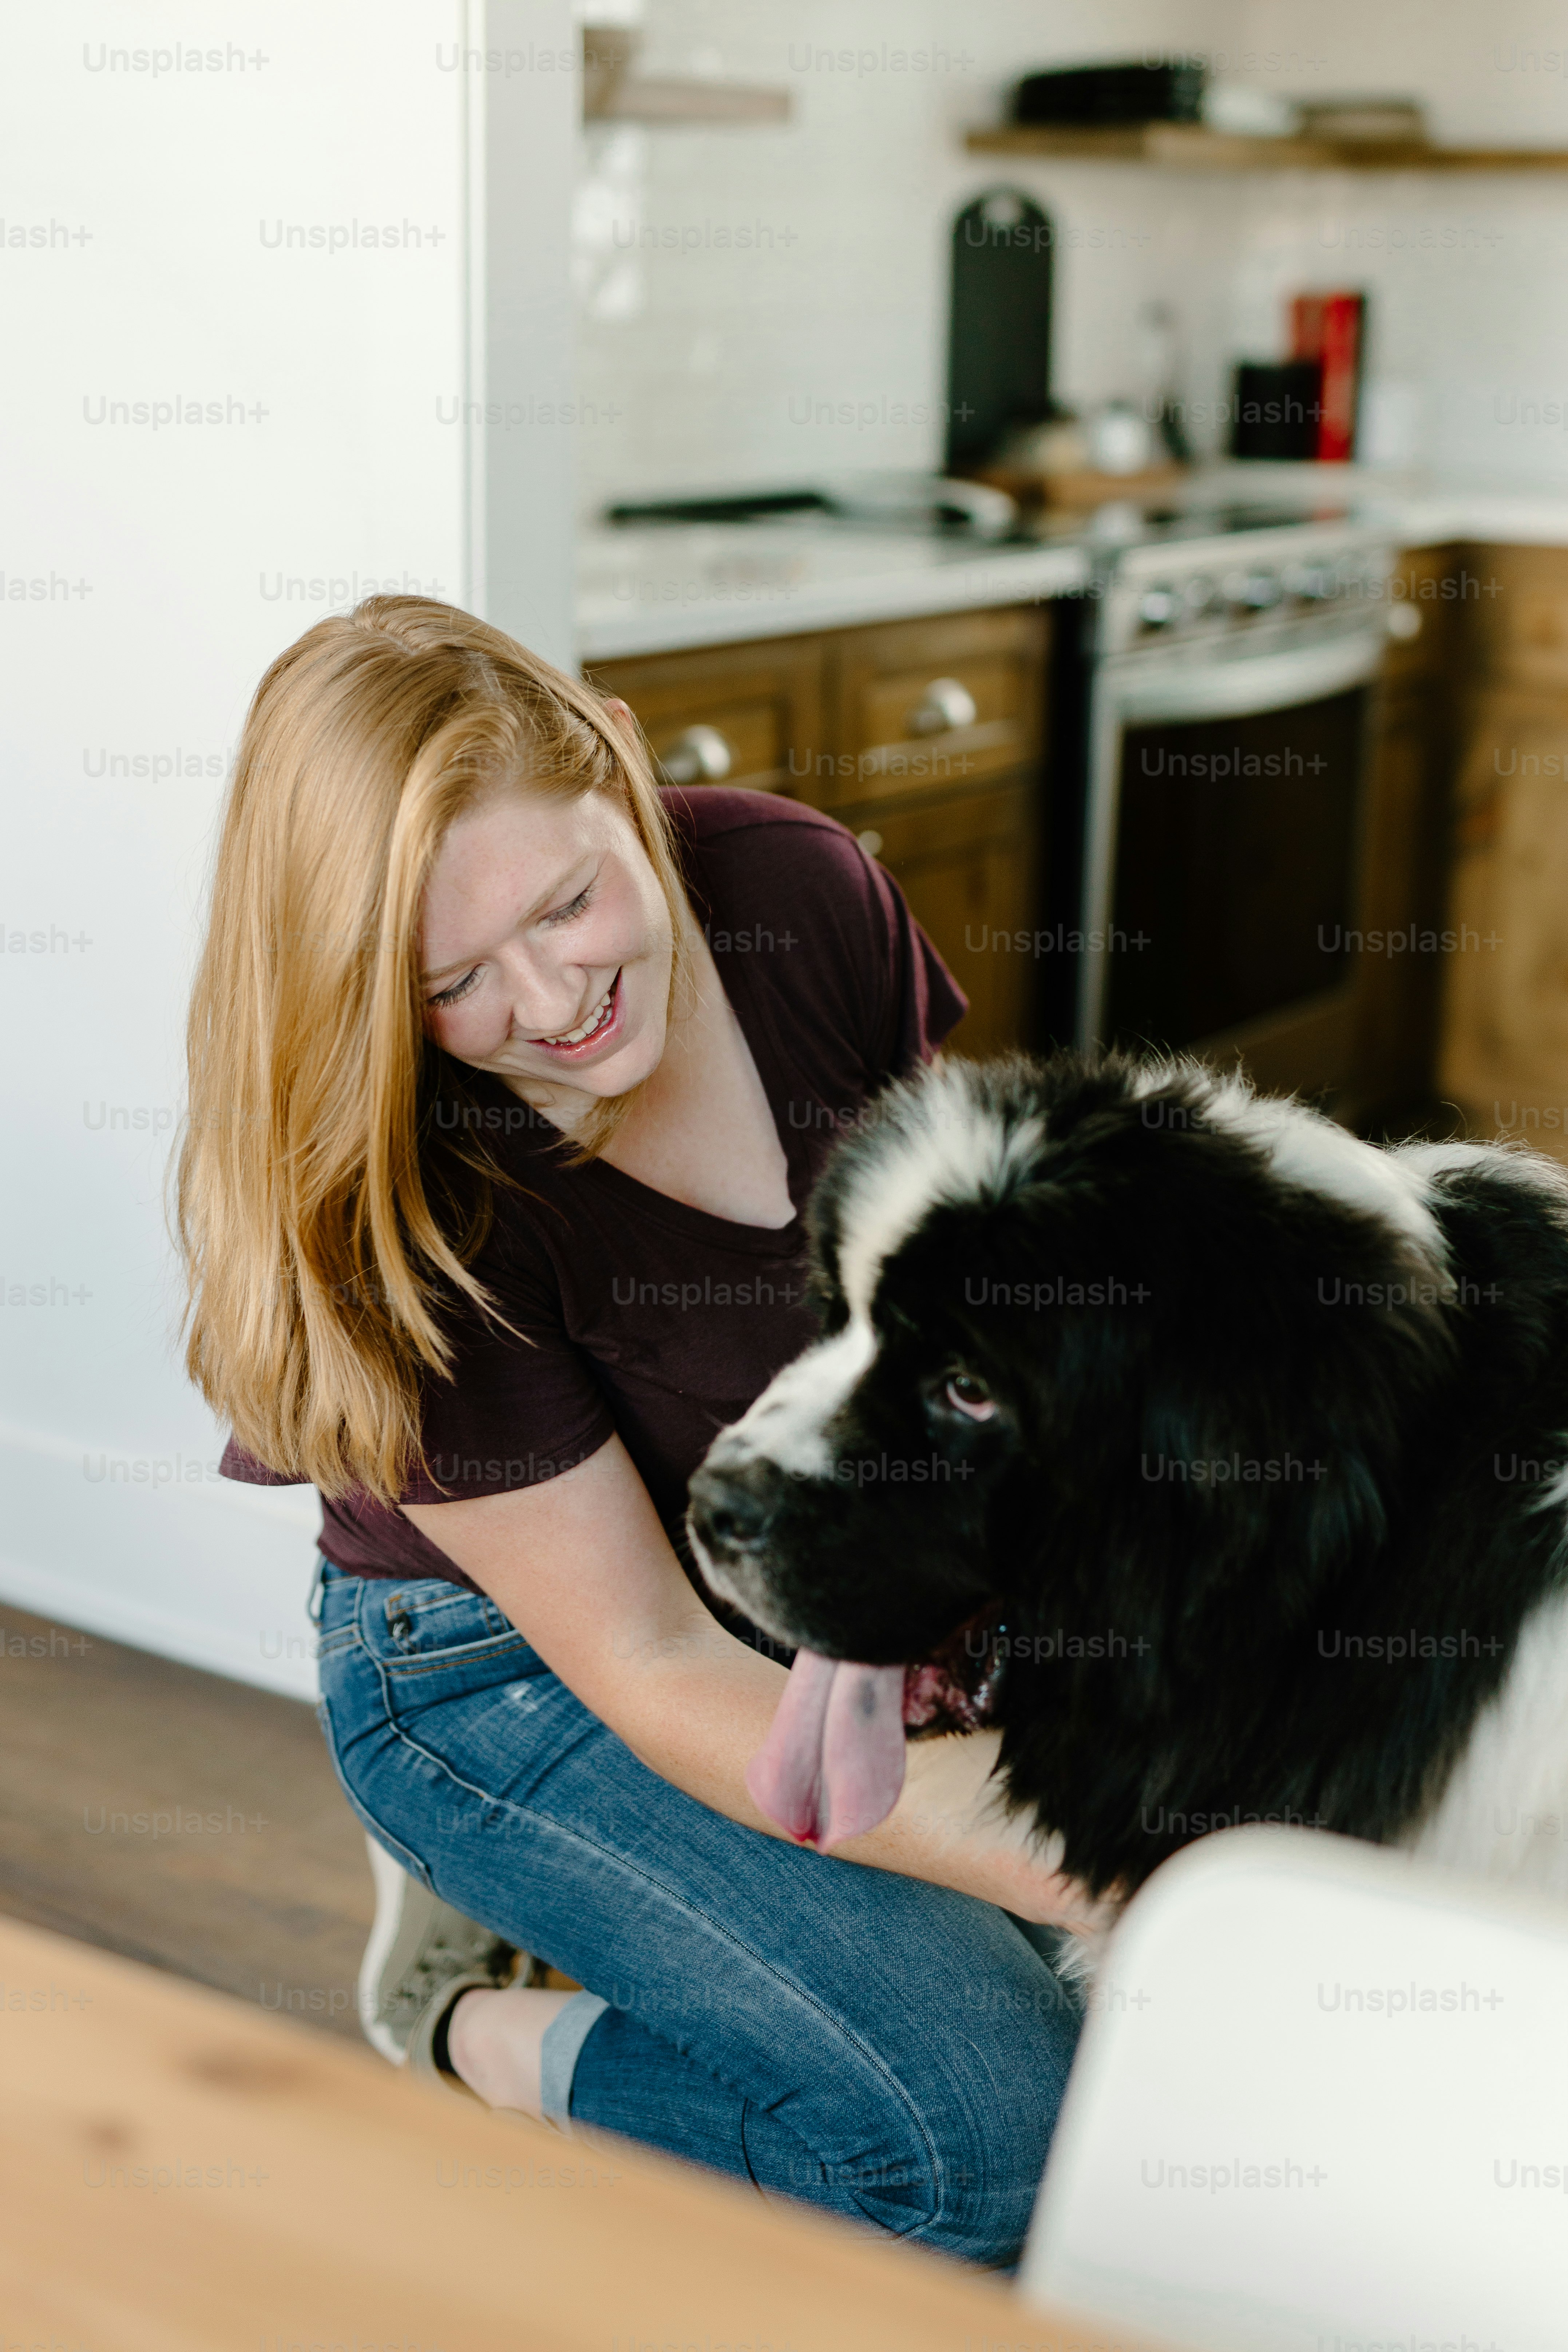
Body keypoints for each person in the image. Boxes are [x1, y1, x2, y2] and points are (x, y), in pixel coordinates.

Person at [177, 595, 1097, 2269]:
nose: (557, 999)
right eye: (453, 980)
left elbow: (946, 1297)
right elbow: (658, 1660)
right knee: (1004, 2141)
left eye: (571, 897)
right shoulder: (412, 1206)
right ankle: (489, 2022)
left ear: (614, 759)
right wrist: (1094, 1850)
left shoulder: (795, 890)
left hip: (795, 1544)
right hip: (508, 1668)